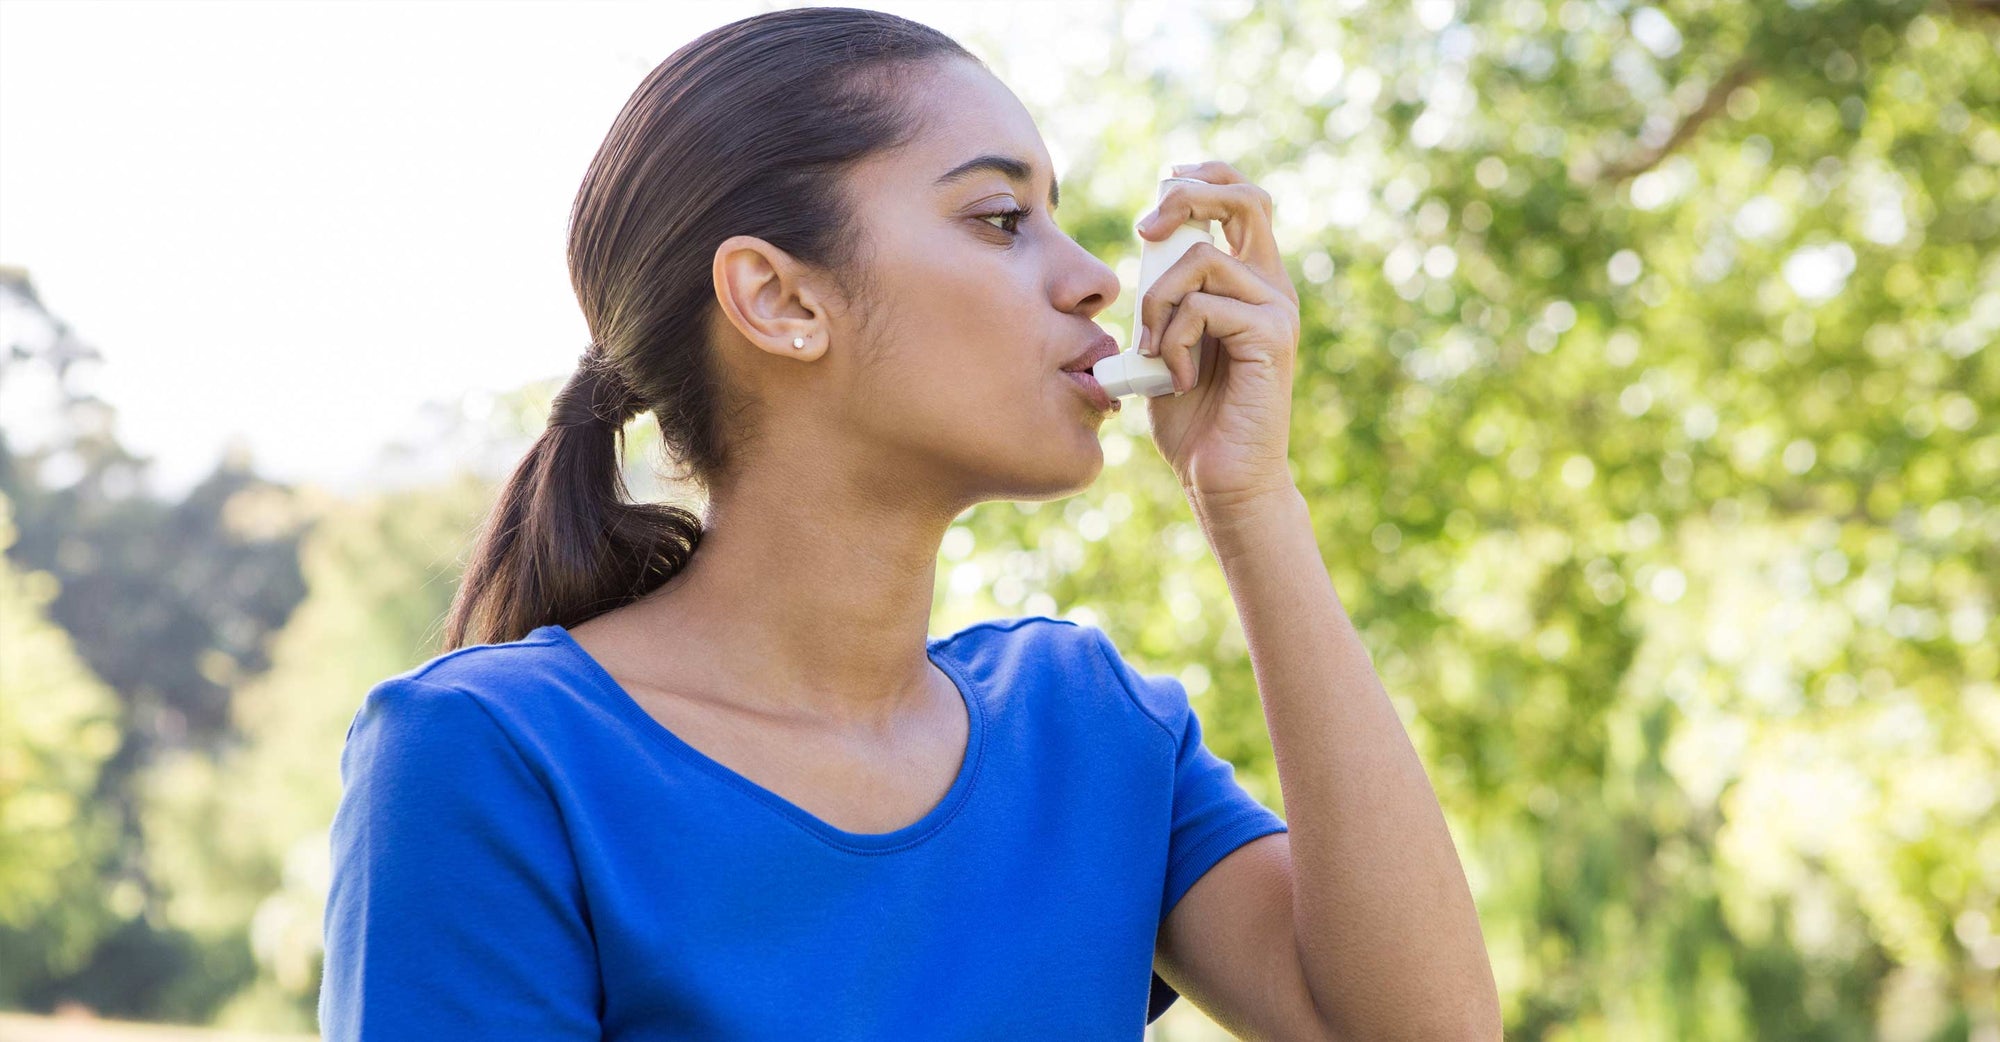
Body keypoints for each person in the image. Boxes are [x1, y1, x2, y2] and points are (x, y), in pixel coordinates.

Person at [317, 7, 1499, 1040]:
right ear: (780, 299)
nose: (1094, 278)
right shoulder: (484, 757)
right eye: (999, 218)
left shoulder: (1088, 725)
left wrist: (1248, 502)